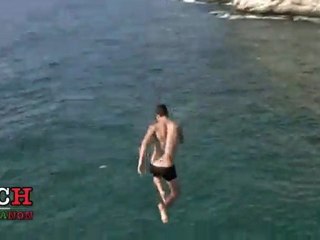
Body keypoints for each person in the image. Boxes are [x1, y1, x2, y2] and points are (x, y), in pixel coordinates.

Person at [137, 104, 184, 223]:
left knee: (156, 171)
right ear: (167, 114)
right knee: (176, 193)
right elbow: (181, 140)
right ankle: (164, 207)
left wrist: (141, 163)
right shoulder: (176, 126)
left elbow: (143, 144)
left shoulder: (154, 126)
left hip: (155, 165)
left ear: (157, 116)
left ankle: (161, 190)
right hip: (167, 166)